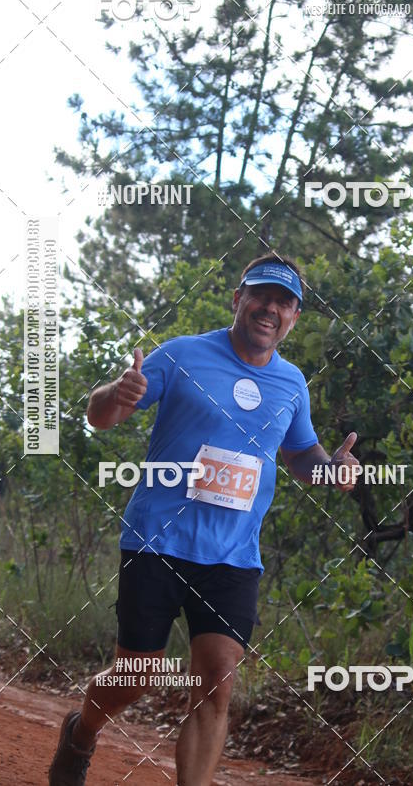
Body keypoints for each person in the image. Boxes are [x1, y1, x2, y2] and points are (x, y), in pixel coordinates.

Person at [49, 254, 360, 785]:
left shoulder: (292, 384)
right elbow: (100, 415)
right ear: (238, 300)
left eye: (285, 302)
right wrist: (112, 394)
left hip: (234, 555)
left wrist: (333, 471)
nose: (271, 308)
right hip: (158, 541)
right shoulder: (183, 355)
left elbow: (302, 457)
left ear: (294, 319)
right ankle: (82, 731)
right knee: (138, 674)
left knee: (217, 681)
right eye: (261, 295)